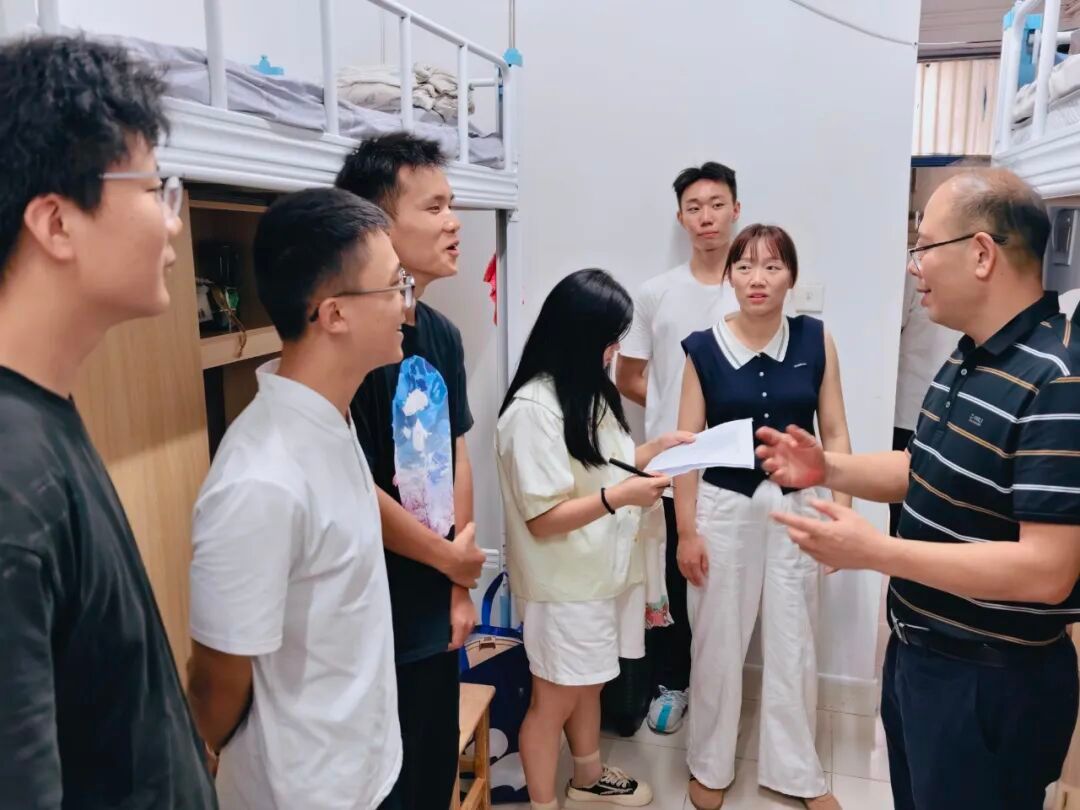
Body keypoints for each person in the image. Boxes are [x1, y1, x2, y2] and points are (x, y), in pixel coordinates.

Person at [760, 168, 1080, 810]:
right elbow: (922, 468)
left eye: (924, 247)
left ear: (982, 253)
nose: (914, 268)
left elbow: (1048, 571)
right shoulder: (971, 353)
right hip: (921, 655)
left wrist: (876, 552)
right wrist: (829, 469)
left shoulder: (1060, 381)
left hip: (991, 679)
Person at [0, 35, 216, 808]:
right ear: (56, 223)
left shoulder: (44, 415)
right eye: (155, 189)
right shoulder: (12, 476)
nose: (172, 223)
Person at [186, 189, 405, 809]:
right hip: (302, 790)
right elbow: (218, 679)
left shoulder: (329, 418)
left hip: (362, 765)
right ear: (334, 314)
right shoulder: (260, 478)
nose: (405, 302)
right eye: (395, 285)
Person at [497, 268, 693, 810]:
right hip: (564, 585)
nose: (615, 350)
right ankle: (543, 802)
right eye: (610, 339)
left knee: (588, 682)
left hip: (602, 573)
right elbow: (543, 518)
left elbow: (606, 468)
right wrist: (621, 498)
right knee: (553, 700)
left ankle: (586, 776)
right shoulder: (533, 410)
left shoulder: (586, 391)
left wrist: (657, 450)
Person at [675, 224, 850, 810]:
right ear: (729, 276)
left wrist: (840, 515)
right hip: (724, 509)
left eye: (772, 267)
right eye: (746, 266)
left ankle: (798, 773)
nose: (758, 279)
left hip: (798, 507)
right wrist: (686, 532)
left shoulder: (816, 339)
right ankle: (709, 764)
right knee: (717, 641)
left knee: (794, 638)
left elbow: (835, 431)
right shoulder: (702, 349)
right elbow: (687, 448)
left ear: (791, 277)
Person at [335, 133, 484, 809]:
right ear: (377, 224)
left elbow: (456, 455)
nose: (454, 222)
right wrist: (448, 560)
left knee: (431, 774)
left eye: (452, 205)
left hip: (435, 602)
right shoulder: (352, 337)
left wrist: (456, 583)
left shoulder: (442, 335)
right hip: (369, 611)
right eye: (434, 207)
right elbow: (351, 482)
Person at [615, 161, 740, 733]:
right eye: (694, 207)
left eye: (716, 204)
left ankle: (722, 689)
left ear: (735, 210)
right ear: (680, 217)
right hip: (671, 466)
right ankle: (673, 682)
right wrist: (673, 408)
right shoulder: (656, 293)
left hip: (736, 464)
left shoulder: (753, 287)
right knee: (670, 576)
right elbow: (628, 375)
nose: (706, 217)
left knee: (726, 581)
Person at [890, 269, 959, 534]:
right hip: (910, 409)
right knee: (902, 502)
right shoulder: (913, 271)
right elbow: (891, 327)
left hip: (946, 409)